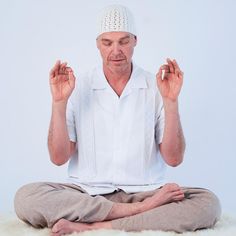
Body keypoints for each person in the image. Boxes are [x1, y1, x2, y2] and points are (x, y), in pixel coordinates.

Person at [14, 4, 221, 236]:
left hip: (147, 191)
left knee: (207, 203)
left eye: (124, 41)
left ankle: (98, 225)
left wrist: (171, 102)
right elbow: (58, 158)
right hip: (87, 194)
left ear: (135, 41)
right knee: (25, 197)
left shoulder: (156, 86)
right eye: (107, 42)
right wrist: (58, 103)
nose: (116, 51)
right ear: (97, 44)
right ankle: (140, 212)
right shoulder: (77, 85)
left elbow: (173, 159)